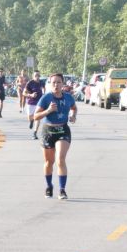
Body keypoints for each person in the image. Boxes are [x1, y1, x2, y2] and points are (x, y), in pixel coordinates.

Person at [33, 72, 77, 200]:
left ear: (63, 84)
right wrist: (48, 111)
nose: (56, 85)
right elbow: (35, 116)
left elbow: (74, 108)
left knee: (60, 159)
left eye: (59, 82)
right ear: (50, 84)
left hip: (63, 130)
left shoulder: (68, 97)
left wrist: (73, 116)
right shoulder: (46, 98)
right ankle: (49, 186)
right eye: (54, 82)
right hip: (48, 131)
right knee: (49, 162)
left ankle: (62, 190)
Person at [25, 71, 44, 140]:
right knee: (30, 117)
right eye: (36, 75)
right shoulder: (30, 83)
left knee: (38, 118)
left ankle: (34, 133)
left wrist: (44, 94)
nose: (37, 77)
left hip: (39, 103)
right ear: (33, 76)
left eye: (38, 75)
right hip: (30, 102)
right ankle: (31, 121)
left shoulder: (42, 82)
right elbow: (24, 93)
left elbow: (44, 89)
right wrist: (31, 95)